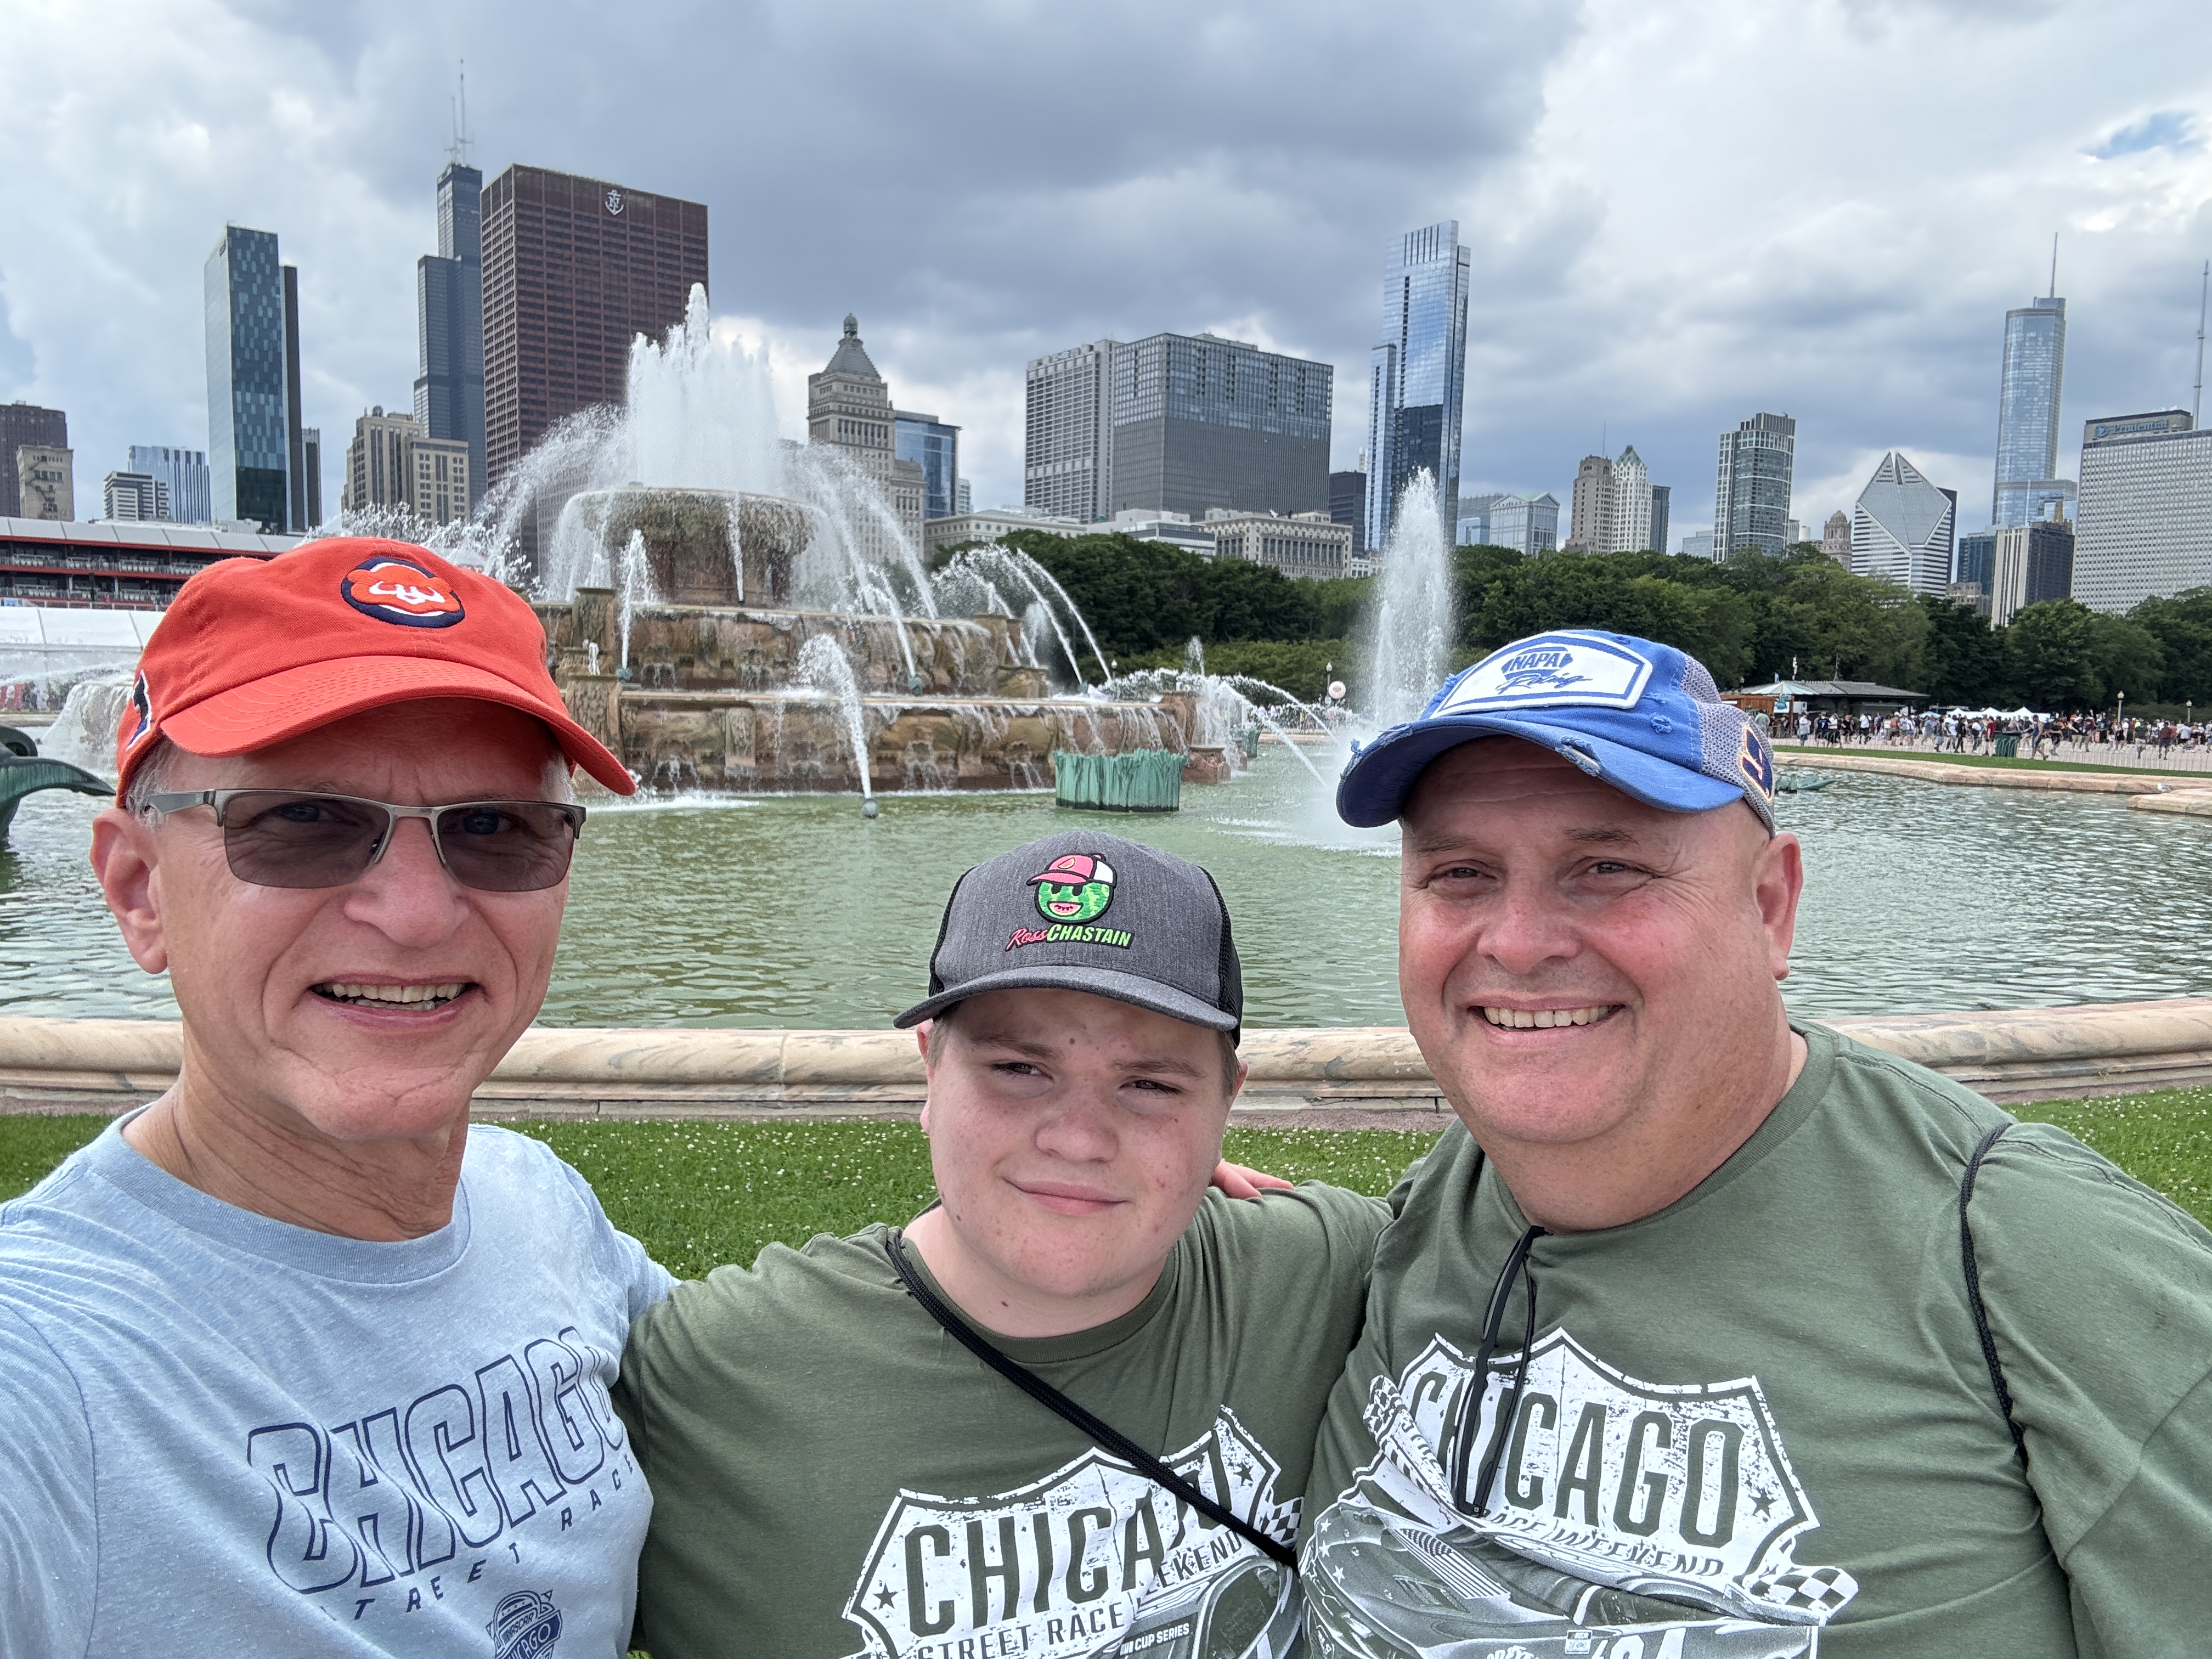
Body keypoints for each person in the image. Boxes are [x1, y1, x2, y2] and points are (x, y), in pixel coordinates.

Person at [1299, 628, 2212, 1657]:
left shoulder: (2039, 1258)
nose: (1516, 941)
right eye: (1460, 873)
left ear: (1770, 905)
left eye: (1606, 866)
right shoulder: (1425, 1216)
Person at [0, 539, 672, 1656]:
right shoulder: (44, 1373)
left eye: (497, 829)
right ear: (137, 888)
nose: (415, 913)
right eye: (303, 821)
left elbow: (782, 1391)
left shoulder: (536, 1202)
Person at [615, 832, 1388, 1658]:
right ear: (931, 1071)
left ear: (1225, 1105)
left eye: (1151, 1085)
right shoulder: (706, 1375)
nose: (1080, 1140)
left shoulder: (1322, 1272)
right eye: (1021, 1069)